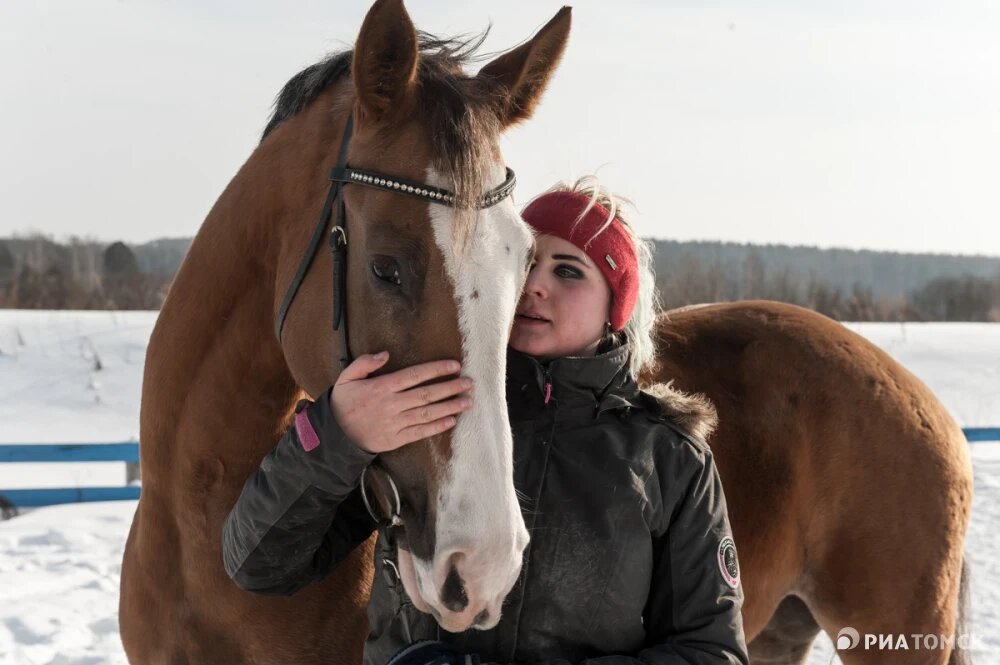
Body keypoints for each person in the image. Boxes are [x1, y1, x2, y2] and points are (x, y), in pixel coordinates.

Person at [222, 176, 750, 665]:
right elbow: (261, 564)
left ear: (616, 308)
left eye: (568, 270)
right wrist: (339, 433)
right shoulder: (427, 406)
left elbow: (711, 651)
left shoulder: (668, 459)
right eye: (525, 264)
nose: (535, 285)